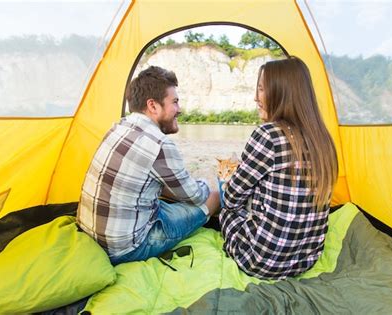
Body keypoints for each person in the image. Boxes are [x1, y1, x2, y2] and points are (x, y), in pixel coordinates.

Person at [77, 66, 220, 265]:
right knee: (215, 196)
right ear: (153, 106)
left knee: (168, 191)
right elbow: (196, 196)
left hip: (92, 235)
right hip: (126, 247)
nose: (179, 109)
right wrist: (206, 183)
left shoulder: (118, 127)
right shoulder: (159, 143)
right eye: (175, 102)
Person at [219, 57, 338, 280]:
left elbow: (232, 199)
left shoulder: (268, 135)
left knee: (226, 209)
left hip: (261, 261)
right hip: (305, 261)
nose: (256, 97)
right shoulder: (324, 140)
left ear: (281, 92)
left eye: (262, 89)